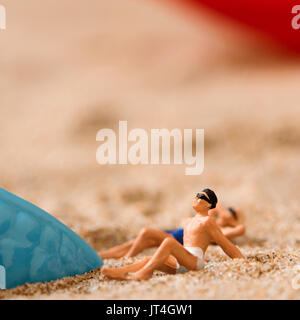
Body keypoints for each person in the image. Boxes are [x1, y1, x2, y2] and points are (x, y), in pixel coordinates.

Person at [101, 189, 245, 280]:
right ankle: (120, 271)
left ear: (209, 205)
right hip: (180, 261)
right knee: (150, 258)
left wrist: (243, 261)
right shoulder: (190, 220)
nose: (197, 199)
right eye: (197, 195)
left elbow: (225, 244)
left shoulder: (208, 222)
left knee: (168, 243)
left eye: (202, 197)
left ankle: (145, 273)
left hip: (194, 262)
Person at [98, 201, 246, 259]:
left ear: (234, 220)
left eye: (233, 214)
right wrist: (225, 212)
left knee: (144, 240)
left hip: (178, 240)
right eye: (230, 209)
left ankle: (124, 259)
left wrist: (232, 220)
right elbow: (215, 203)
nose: (228, 212)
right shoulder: (212, 217)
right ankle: (102, 255)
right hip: (176, 231)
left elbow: (240, 229)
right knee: (134, 242)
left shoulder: (222, 230)